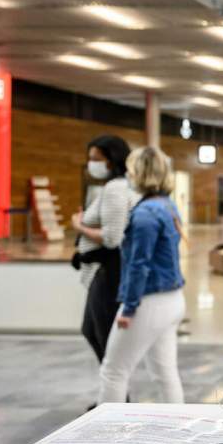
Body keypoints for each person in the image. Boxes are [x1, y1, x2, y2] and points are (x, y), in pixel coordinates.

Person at [97, 147, 186, 404]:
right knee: (165, 373)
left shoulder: (146, 213)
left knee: (113, 371)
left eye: (131, 169)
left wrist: (129, 308)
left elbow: (139, 264)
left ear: (141, 173)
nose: (128, 175)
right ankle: (178, 427)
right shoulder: (166, 205)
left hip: (148, 302)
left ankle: (108, 432)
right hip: (172, 299)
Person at [71, 135, 138, 367]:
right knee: (93, 331)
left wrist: (79, 226)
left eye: (95, 158)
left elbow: (113, 237)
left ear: (111, 160)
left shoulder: (115, 189)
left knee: (102, 335)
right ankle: (112, 392)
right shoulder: (118, 187)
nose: (91, 164)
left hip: (108, 273)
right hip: (104, 272)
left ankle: (116, 394)